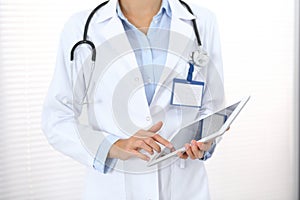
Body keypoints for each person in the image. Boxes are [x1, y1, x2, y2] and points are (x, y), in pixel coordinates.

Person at [42, 0, 224, 199]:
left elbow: (213, 106)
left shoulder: (201, 21)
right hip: (113, 188)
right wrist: (112, 146)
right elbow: (57, 119)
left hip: (185, 187)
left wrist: (206, 140)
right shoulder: (81, 28)